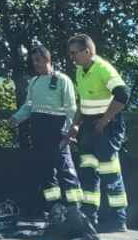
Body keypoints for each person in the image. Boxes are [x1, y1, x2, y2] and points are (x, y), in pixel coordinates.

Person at [8, 42, 84, 214]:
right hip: (38, 130)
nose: (36, 64)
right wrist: (17, 118)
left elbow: (71, 108)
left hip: (58, 132)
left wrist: (69, 131)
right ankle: (54, 207)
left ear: (48, 59)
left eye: (39, 60)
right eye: (33, 61)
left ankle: (75, 208)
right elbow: (29, 106)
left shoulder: (62, 80)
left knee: (66, 169)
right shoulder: (34, 82)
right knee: (46, 171)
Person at [67, 33, 131, 233]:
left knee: (109, 171)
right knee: (88, 171)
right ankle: (89, 216)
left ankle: (119, 220)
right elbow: (83, 102)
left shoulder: (103, 68)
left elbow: (123, 94)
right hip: (88, 126)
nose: (72, 57)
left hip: (106, 126)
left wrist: (105, 120)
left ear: (87, 51)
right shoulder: (80, 70)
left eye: (74, 53)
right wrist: (76, 124)